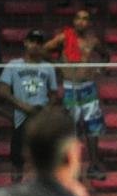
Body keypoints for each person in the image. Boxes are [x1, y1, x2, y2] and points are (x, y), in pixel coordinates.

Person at [45, 11, 105, 180]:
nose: (81, 21)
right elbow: (44, 50)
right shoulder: (64, 37)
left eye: (85, 18)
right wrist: (57, 65)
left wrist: (100, 68)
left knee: (93, 128)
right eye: (78, 18)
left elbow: (105, 54)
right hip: (70, 87)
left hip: (88, 88)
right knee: (72, 129)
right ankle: (74, 168)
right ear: (74, 21)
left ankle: (93, 165)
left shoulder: (93, 40)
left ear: (89, 23)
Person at [0, 30, 59, 181]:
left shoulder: (48, 67)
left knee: (43, 160)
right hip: (21, 117)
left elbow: (53, 94)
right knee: (17, 160)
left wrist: (46, 110)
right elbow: (3, 90)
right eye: (32, 41)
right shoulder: (13, 65)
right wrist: (24, 107)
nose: (35, 45)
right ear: (25, 42)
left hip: (41, 118)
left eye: (39, 42)